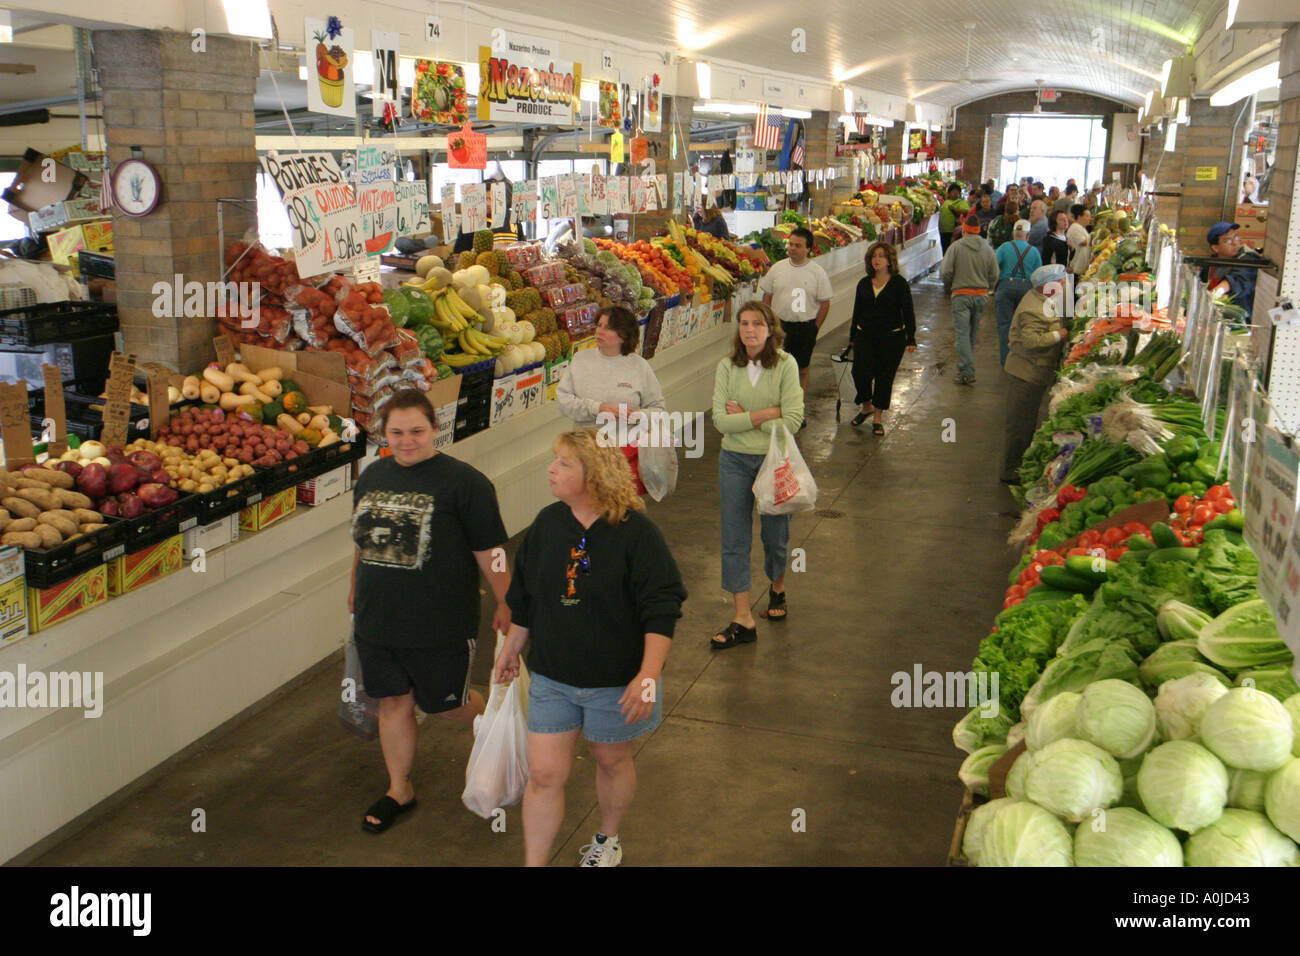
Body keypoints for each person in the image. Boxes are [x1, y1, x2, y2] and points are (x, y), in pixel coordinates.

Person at [494, 429, 686, 867]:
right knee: (544, 775)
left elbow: (662, 607)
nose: (552, 469)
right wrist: (512, 647)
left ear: (594, 476)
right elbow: (525, 595)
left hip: (615, 681)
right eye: (554, 459)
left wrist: (648, 675)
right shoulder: (547, 524)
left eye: (564, 463)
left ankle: (607, 838)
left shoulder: (637, 535)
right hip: (552, 675)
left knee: (611, 759)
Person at [349, 389, 511, 834]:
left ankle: (503, 728)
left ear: (434, 429)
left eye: (416, 431)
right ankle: (398, 788)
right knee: (393, 701)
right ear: (384, 433)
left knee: (447, 706)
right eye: (396, 432)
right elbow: (363, 544)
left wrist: (506, 600)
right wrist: (353, 591)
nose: (406, 441)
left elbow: (490, 550)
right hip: (377, 618)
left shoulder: (465, 483)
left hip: (439, 622)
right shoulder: (371, 477)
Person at [711, 301, 804, 646]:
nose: (749, 330)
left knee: (774, 537)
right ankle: (743, 617)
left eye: (757, 324)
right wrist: (768, 413)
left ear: (770, 329)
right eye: (744, 324)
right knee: (734, 538)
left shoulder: (786, 365)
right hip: (733, 460)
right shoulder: (726, 367)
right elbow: (721, 422)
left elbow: (792, 422)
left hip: (773, 460)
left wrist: (747, 415)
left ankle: (777, 588)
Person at [556, 305, 664, 496]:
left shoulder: (639, 366)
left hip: (625, 456)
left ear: (623, 335)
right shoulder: (581, 360)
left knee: (621, 510)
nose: (600, 331)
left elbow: (658, 409)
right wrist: (596, 408)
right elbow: (563, 400)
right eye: (599, 325)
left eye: (608, 327)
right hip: (585, 454)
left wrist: (638, 416)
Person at [1001, 265, 1070, 483]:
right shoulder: (1033, 309)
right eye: (1060, 283)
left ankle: (1019, 467)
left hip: (1034, 372)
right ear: (1047, 286)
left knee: (1027, 423)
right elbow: (1031, 342)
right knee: (1020, 426)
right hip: (1026, 373)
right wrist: (1060, 334)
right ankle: (1010, 471)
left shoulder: (1041, 300)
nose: (1064, 286)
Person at [848, 241, 916, 434]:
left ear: (889, 260)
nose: (876, 260)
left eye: (881, 256)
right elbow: (857, 311)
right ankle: (866, 406)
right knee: (860, 373)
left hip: (892, 338)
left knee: (884, 377)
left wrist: (911, 337)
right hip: (865, 336)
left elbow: (908, 312)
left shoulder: (899, 284)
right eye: (873, 256)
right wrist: (852, 336)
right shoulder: (864, 283)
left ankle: (877, 417)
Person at [759, 226, 832, 399]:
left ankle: (797, 407)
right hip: (779, 327)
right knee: (775, 368)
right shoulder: (777, 268)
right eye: (791, 244)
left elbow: (825, 303)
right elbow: (767, 295)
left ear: (808, 248)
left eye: (798, 245)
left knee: (802, 369)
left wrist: (814, 328)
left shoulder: (817, 272)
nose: (792, 248)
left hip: (804, 327)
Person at [939, 214, 999, 386]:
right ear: (979, 230)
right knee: (972, 334)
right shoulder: (988, 249)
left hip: (961, 295)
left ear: (964, 229)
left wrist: (952, 284)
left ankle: (966, 371)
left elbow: (945, 272)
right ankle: (965, 367)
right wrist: (988, 287)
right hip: (981, 296)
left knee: (962, 334)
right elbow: (995, 274)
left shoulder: (956, 247)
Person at [993, 219, 1043, 366]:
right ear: (1028, 236)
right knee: (1024, 325)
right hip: (1026, 290)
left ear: (1013, 234)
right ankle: (1021, 360)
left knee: (1004, 325)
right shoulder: (1033, 251)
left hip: (1005, 287)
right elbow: (1038, 276)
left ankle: (1005, 360)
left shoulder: (1004, 247)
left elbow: (994, 266)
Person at [1200, 221, 1267, 315]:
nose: (1235, 243)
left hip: (1238, 320)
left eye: (1235, 237)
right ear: (1215, 248)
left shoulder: (1248, 259)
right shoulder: (1210, 265)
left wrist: (1214, 295)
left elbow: (1238, 279)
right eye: (1228, 241)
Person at [938, 182, 970, 253]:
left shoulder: (961, 202)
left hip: (954, 231)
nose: (955, 194)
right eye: (953, 192)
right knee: (945, 249)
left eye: (957, 192)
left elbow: (965, 212)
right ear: (949, 193)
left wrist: (955, 209)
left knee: (952, 251)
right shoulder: (946, 202)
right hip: (943, 231)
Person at [1066, 204, 1093, 278]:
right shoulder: (1075, 227)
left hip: (1080, 267)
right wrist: (1092, 236)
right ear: (1079, 216)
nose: (1089, 218)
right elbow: (1083, 242)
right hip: (1075, 267)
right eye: (1087, 216)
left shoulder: (1081, 227)